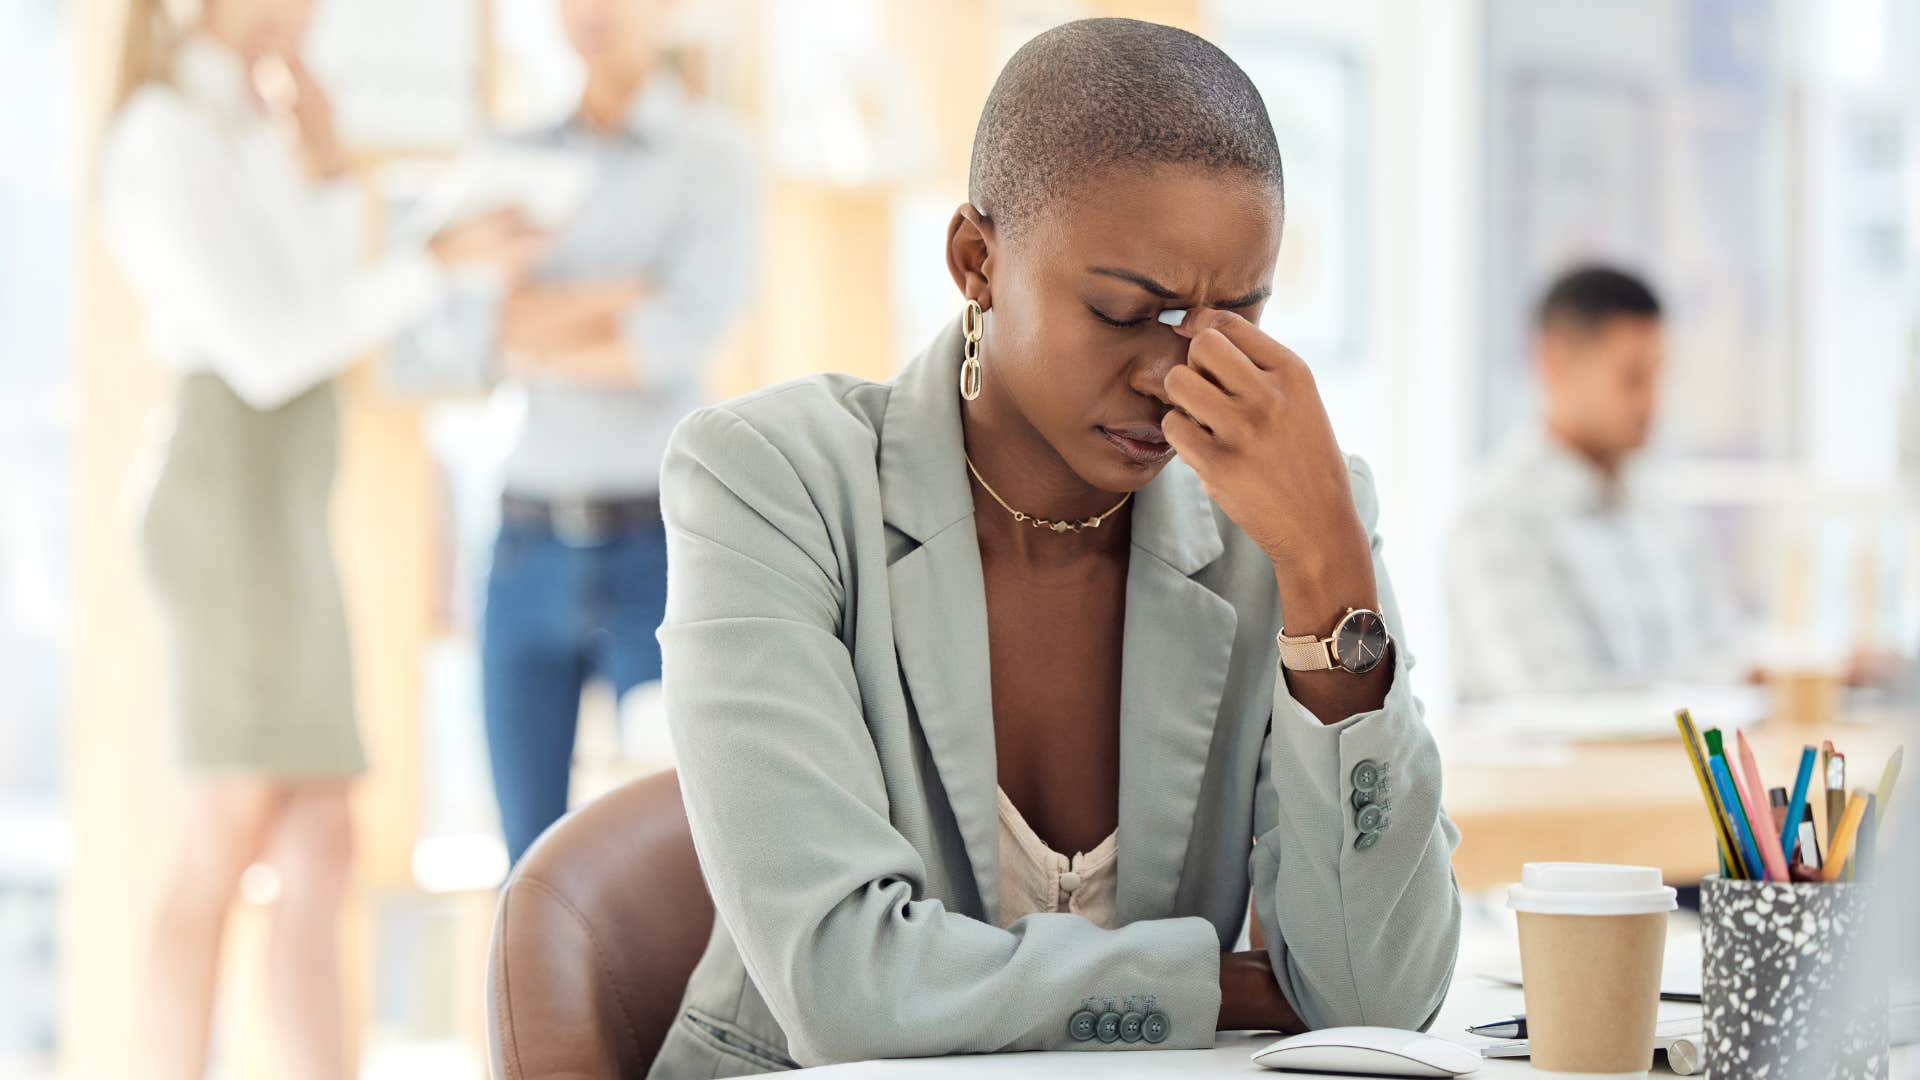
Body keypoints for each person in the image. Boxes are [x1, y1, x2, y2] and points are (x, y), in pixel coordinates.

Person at [646, 19, 1459, 1076]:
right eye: (1128, 311)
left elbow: (1376, 998)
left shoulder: (1292, 517)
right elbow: (844, 993)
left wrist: (1329, 584)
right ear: (976, 262)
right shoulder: (768, 483)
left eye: (1240, 315)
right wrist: (1211, 984)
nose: (1181, 374)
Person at [98, 2, 540, 1077]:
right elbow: (271, 346)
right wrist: (437, 261)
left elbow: (314, 293)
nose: (303, 14)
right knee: (226, 830)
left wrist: (329, 158)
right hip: (229, 500)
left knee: (320, 840)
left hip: (287, 503)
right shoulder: (161, 133)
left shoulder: (244, 127)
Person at [472, 0, 758, 864]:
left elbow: (678, 336)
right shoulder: (509, 160)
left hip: (660, 547)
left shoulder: (715, 157)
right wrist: (624, 292)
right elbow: (474, 334)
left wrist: (539, 321)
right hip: (525, 545)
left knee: (678, 855)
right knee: (525, 870)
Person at [1446, 266, 1749, 702]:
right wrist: (1723, 682)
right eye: (1632, 378)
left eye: (1659, 376)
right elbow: (1552, 695)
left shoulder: (1663, 510)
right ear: (1554, 363)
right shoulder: (1493, 519)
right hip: (1564, 772)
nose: (1652, 403)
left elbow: (1725, 646)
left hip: (1675, 767)